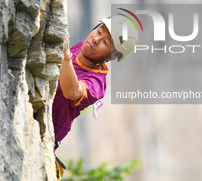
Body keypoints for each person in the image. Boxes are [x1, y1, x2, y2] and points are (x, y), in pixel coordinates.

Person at [52, 15, 138, 180]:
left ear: (112, 57)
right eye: (99, 31)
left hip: (44, 137)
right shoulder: (81, 48)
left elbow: (72, 92)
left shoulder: (97, 83)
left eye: (105, 43)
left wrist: (65, 55)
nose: (96, 39)